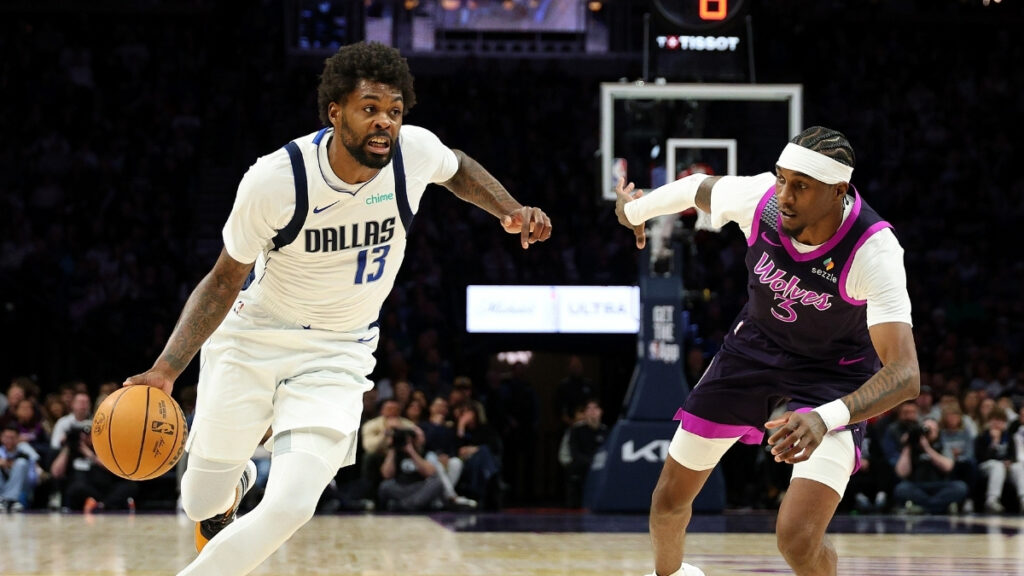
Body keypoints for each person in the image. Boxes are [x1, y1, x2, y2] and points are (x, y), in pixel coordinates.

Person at [122, 40, 551, 576]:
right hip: (254, 336)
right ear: (335, 111)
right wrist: (166, 370)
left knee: (293, 504)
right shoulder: (275, 180)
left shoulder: (413, 153)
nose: (384, 123)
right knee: (201, 502)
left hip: (337, 351)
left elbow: (457, 166)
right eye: (369, 109)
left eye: (394, 112)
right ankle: (234, 483)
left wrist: (509, 210)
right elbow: (223, 280)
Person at [614, 126, 920, 576]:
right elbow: (696, 189)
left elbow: (906, 374)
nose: (785, 195)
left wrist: (826, 417)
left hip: (833, 376)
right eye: (782, 179)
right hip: (752, 351)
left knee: (797, 540)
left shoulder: (874, 251)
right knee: (667, 501)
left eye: (801, 186)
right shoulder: (764, 200)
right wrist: (636, 209)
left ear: (838, 191)